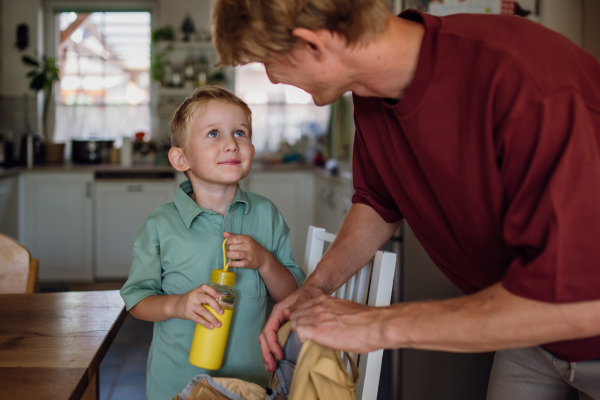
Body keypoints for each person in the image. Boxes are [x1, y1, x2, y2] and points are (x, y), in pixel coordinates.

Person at [211, 0, 600, 398]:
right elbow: (378, 202)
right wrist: (316, 286)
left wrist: (375, 325)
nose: (272, 79)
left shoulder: (526, 84)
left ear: (313, 43)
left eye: (267, 62)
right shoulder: (371, 91)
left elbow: (577, 299)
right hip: (526, 330)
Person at [120, 86, 306, 400]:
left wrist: (264, 261)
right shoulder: (161, 225)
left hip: (248, 384)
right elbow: (137, 301)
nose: (232, 144)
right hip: (176, 385)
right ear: (181, 157)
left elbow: (292, 295)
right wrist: (177, 304)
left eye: (240, 132)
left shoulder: (266, 214)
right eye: (213, 134)